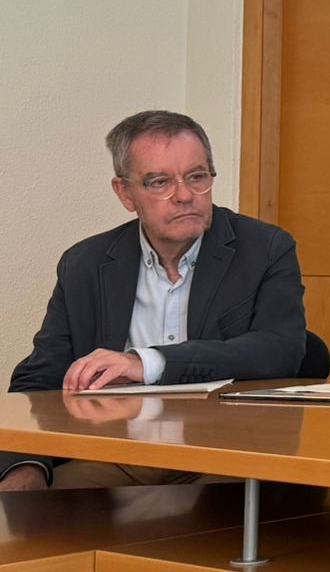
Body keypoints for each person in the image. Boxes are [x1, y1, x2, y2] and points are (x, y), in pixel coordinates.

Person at [2, 111, 307, 491]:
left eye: (197, 177)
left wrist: (146, 363)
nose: (183, 195)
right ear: (125, 193)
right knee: (32, 510)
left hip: (228, 452)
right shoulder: (86, 264)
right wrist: (23, 465)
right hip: (120, 454)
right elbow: (40, 378)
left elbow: (281, 350)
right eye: (160, 182)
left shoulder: (265, 249)